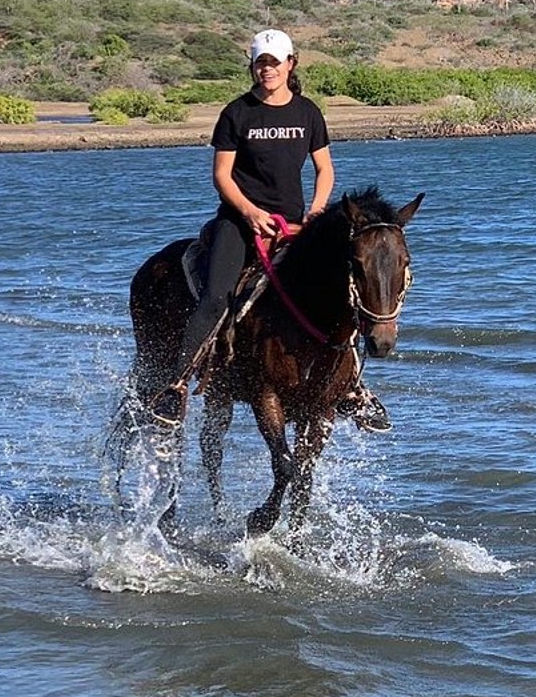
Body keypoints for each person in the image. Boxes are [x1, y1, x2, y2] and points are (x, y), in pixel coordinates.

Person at [149, 28, 391, 432]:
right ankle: (175, 386)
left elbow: (325, 169)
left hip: (295, 223)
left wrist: (315, 212)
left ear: (290, 64)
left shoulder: (308, 113)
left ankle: (353, 388)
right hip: (238, 222)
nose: (267, 69)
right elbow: (222, 175)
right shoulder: (237, 113)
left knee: (336, 292)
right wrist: (249, 213)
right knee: (215, 297)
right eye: (261, 62)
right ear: (253, 66)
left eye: (274, 63)